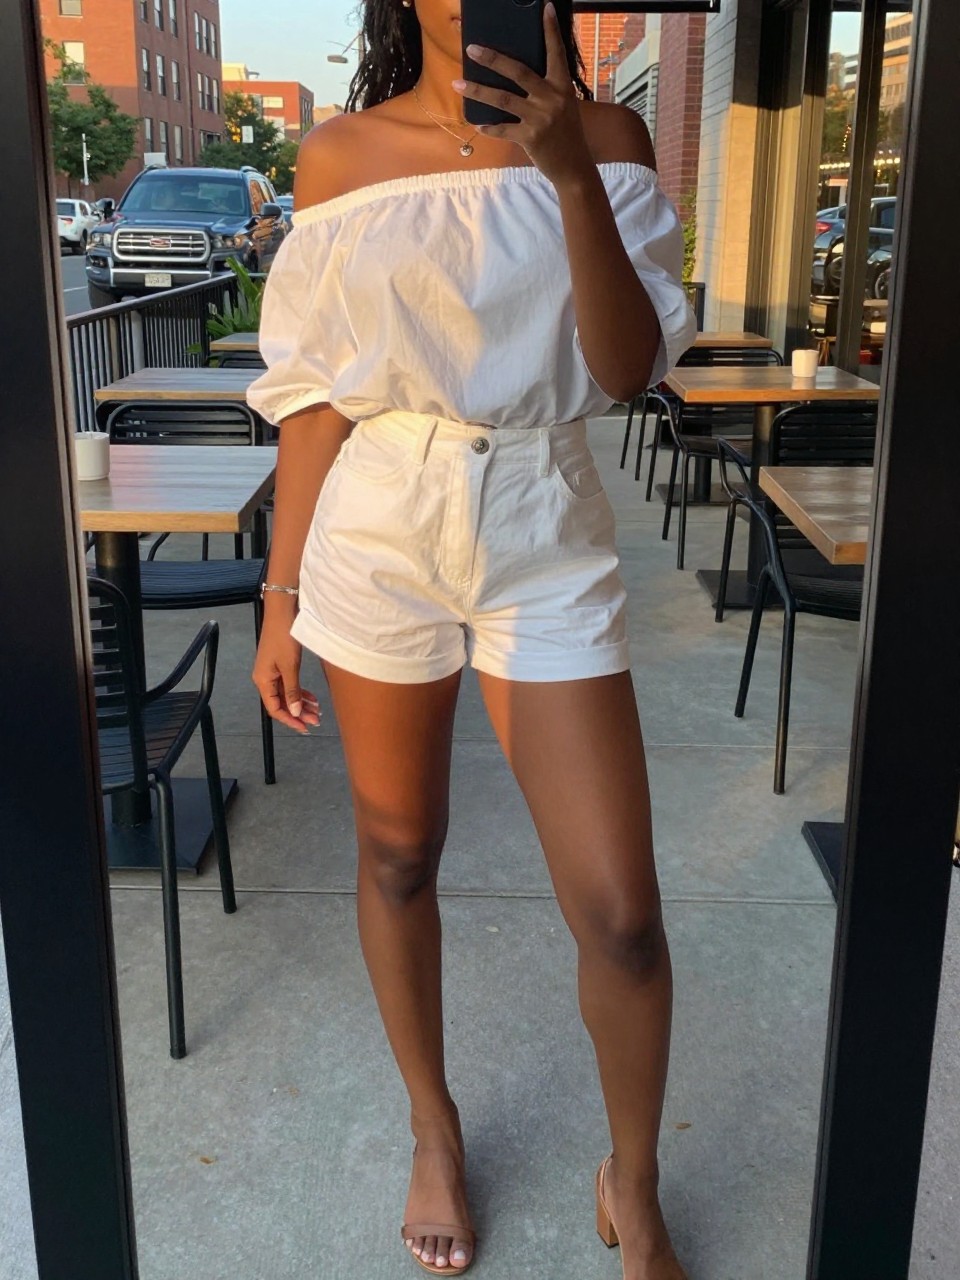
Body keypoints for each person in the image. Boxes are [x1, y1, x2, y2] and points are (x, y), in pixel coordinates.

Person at [246, 2, 696, 1276]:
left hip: (542, 515)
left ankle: (633, 1180)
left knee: (621, 910)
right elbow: (315, 398)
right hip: (382, 520)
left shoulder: (607, 139)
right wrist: (281, 597)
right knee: (398, 849)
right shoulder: (339, 157)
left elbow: (626, 371)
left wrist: (565, 172)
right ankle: (432, 1126)